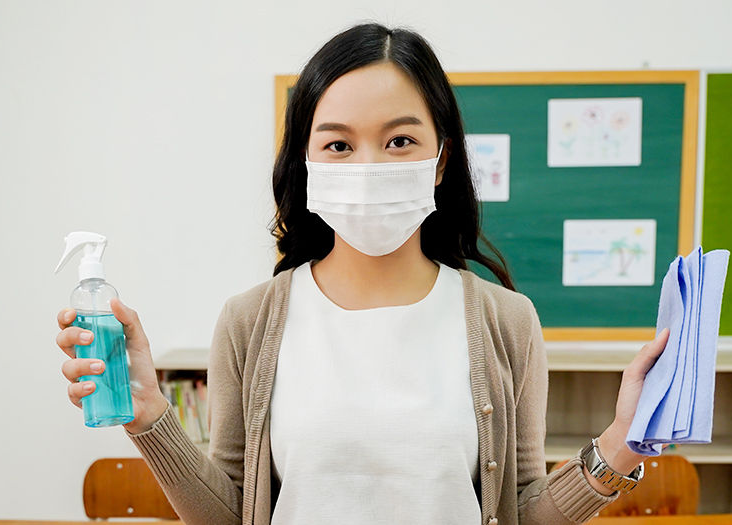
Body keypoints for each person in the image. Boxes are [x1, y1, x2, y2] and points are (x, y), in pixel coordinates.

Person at [55, 22, 668, 525]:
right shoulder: (249, 321)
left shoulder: (507, 321)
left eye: (400, 140)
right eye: (339, 145)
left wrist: (621, 440)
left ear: (439, 159)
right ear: (307, 162)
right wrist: (149, 416)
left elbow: (520, 508)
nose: (370, 164)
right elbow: (232, 514)